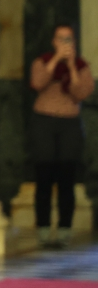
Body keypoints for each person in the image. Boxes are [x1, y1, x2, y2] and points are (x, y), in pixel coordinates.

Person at [28, 24, 93, 249]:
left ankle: (65, 229)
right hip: (44, 122)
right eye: (61, 39)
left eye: (69, 39)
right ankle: (44, 229)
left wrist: (72, 66)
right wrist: (56, 60)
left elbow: (80, 93)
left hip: (69, 124)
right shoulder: (42, 62)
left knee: (67, 178)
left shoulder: (82, 66)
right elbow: (38, 83)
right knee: (44, 177)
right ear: (54, 42)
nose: (65, 43)